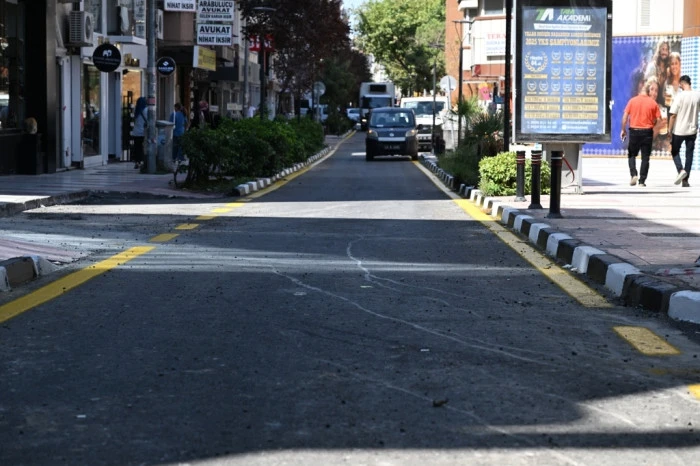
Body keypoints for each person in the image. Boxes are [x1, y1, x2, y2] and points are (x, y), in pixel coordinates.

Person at [620, 78, 661, 187]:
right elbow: (658, 120)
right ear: (648, 91)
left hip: (634, 131)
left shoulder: (632, 101)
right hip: (647, 132)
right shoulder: (653, 103)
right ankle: (642, 181)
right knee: (645, 157)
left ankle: (633, 174)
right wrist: (653, 125)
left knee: (631, 155)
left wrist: (623, 130)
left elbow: (624, 117)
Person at [668, 75, 700, 187]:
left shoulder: (680, 96)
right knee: (689, 155)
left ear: (682, 83)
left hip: (679, 130)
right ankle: (685, 181)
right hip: (692, 130)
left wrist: (669, 130)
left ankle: (680, 170)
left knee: (674, 151)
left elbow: (673, 115)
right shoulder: (697, 95)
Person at [130, 97, 147, 169]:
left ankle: (137, 162)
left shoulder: (136, 110)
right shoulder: (146, 110)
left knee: (137, 148)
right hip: (143, 132)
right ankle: (143, 161)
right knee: (143, 148)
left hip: (136, 132)